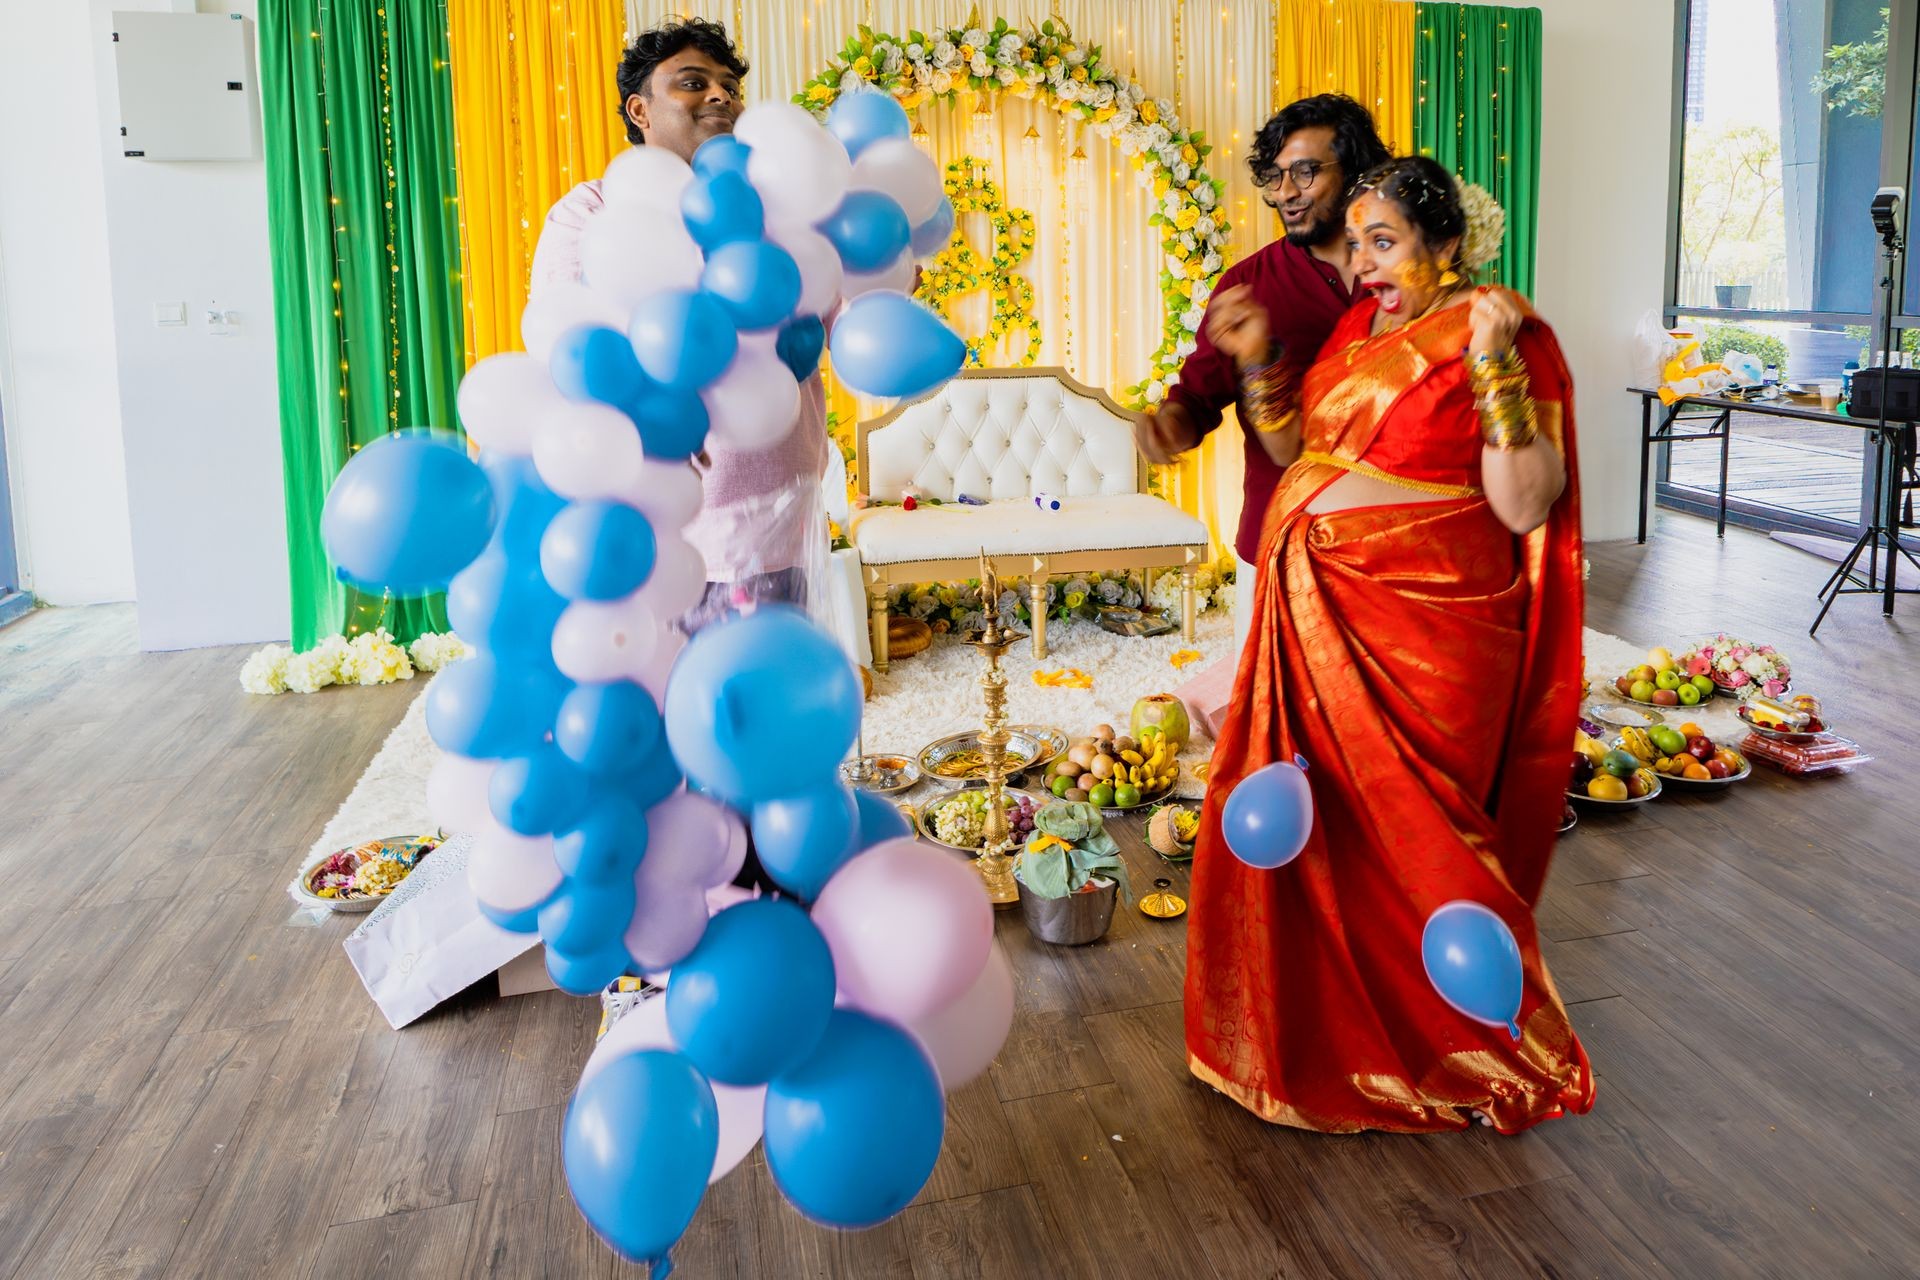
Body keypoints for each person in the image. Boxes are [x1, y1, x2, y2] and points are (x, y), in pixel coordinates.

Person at [1183, 156, 1593, 1135]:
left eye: (1387, 242)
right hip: (1314, 617)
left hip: (1433, 629)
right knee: (1328, 836)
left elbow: (1522, 499)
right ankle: (1324, 1038)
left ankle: (1459, 1045)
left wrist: (1493, 364)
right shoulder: (1355, 334)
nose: (1364, 264)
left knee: (1423, 840)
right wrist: (1254, 361)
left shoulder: (1502, 331)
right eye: (1356, 242)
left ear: (1445, 244)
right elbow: (1303, 455)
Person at [529, 18, 828, 632]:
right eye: (693, 83)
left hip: (782, 506)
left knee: (767, 701)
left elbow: (829, 319)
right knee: (670, 707)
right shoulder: (592, 210)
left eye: (729, 85)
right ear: (640, 109)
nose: (720, 95)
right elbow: (574, 351)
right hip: (660, 524)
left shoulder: (777, 209)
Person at [1136, 95, 1391, 624]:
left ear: (1359, 174)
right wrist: (1168, 427)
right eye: (1275, 178)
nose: (1285, 193)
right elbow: (1196, 401)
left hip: (1391, 551)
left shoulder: (1404, 277)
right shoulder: (1246, 286)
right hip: (1280, 542)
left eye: (1304, 172)